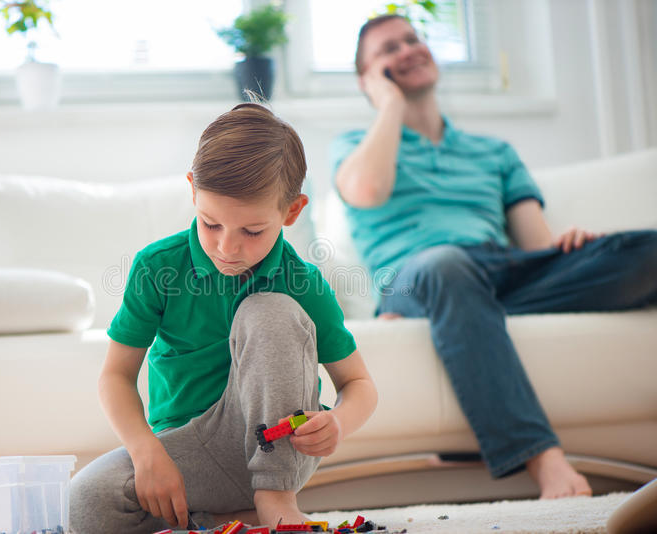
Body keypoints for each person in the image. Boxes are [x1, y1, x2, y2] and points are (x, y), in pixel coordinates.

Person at [331, 14, 657, 499]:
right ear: (368, 79)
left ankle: (466, 324)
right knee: (447, 267)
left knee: (646, 250)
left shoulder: (494, 152)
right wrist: (391, 105)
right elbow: (368, 189)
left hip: (502, 273)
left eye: (413, 39)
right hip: (417, 276)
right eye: (388, 50)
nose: (407, 50)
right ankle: (543, 461)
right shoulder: (357, 146)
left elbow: (535, 249)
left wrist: (568, 254)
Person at [71, 102, 378, 534]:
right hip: (186, 452)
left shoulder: (302, 282)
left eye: (252, 231)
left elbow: (359, 385)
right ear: (193, 191)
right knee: (86, 502)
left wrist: (340, 423)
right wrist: (145, 453)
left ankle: (275, 498)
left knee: (268, 310)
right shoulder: (156, 267)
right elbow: (115, 376)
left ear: (291, 212)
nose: (226, 249)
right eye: (210, 224)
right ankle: (228, 521)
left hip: (280, 446)